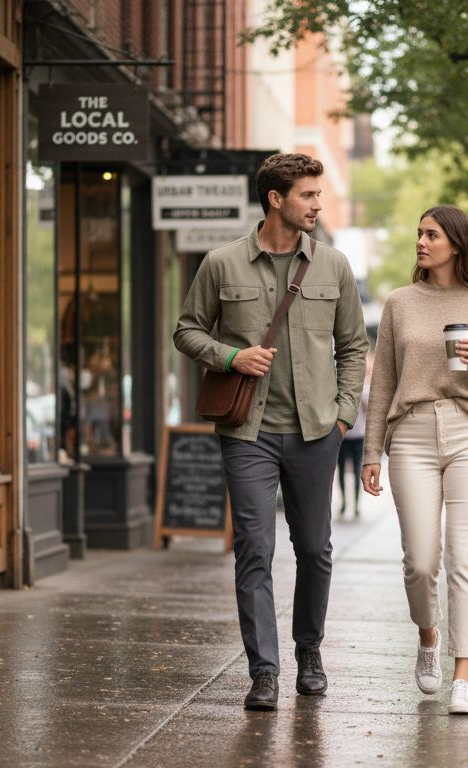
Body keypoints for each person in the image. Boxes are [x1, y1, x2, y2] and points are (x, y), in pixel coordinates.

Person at [173, 153, 368, 712]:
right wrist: (232, 356)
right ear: (276, 199)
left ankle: (309, 650)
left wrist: (342, 415)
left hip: (315, 432)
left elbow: (353, 347)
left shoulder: (333, 266)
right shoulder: (221, 263)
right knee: (253, 548)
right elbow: (187, 331)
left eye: (318, 195)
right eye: (308, 195)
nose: (317, 204)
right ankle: (264, 670)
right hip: (247, 433)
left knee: (314, 549)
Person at [360, 205, 468, 716]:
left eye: (432, 234)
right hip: (412, 435)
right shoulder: (400, 303)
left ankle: (463, 675)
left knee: (465, 557)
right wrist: (372, 451)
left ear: (457, 243)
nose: (421, 242)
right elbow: (382, 382)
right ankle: (428, 635)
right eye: (419, 233)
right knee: (421, 560)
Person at [335, 354, 371, 518]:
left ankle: (354, 505)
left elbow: (369, 411)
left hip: (356, 436)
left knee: (354, 470)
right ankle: (346, 503)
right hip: (344, 436)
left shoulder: (364, 389)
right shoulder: (340, 388)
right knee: (345, 470)